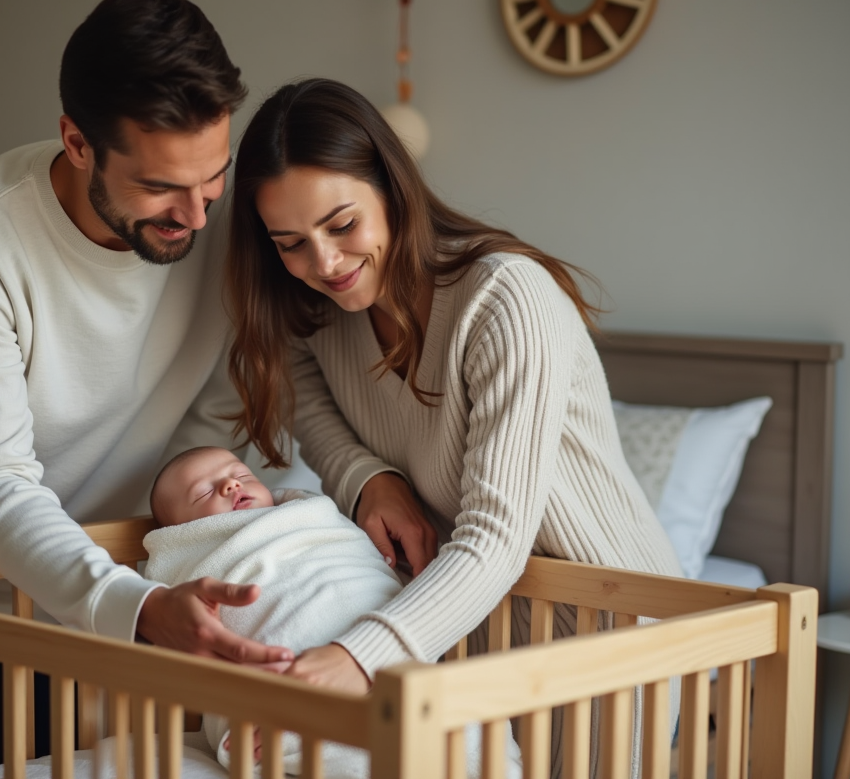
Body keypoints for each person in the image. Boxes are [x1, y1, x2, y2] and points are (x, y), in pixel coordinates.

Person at [0, 0, 290, 774]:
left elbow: (221, 424)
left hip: (85, 585)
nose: (198, 216)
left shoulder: (225, 218)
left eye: (211, 175)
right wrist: (134, 607)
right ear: (77, 143)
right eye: (158, 187)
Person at [225, 78, 683, 776]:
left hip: (608, 628)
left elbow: (495, 537)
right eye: (290, 242)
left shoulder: (504, 298)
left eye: (342, 225)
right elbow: (312, 415)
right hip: (466, 623)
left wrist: (359, 654)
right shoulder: (313, 314)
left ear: (393, 189)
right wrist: (369, 481)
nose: (323, 264)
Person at [143, 445, 522, 778]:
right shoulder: (198, 566)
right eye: (205, 491)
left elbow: (359, 566)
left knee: (467, 725)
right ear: (183, 534)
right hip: (294, 683)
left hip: (387, 657)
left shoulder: (313, 519)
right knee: (337, 740)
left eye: (241, 474)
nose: (231, 485)